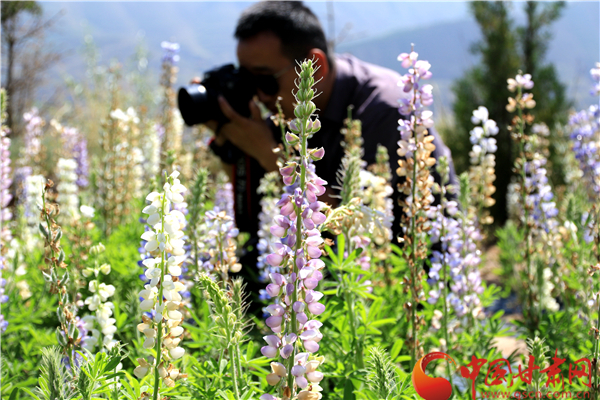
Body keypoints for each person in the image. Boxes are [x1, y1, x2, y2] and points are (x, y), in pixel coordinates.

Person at [205, 1, 457, 277]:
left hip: (412, 273)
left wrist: (271, 156)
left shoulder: (385, 111)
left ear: (315, 67)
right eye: (245, 80)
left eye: (265, 80)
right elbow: (252, 218)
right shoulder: (283, 110)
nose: (257, 95)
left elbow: (357, 226)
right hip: (320, 271)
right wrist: (229, 140)